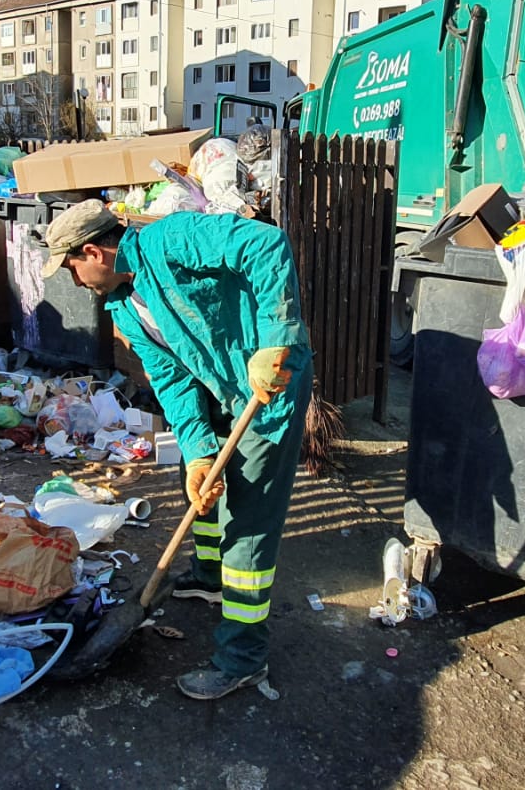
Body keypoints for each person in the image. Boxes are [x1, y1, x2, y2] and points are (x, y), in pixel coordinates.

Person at [40, 200, 312, 700]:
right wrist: (200, 450)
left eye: (72, 269)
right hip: (215, 385)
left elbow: (267, 244)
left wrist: (276, 340)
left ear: (93, 251)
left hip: (267, 384)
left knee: (247, 522)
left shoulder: (173, 239)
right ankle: (209, 576)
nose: (76, 283)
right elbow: (172, 379)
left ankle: (243, 657)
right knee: (200, 479)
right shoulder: (123, 305)